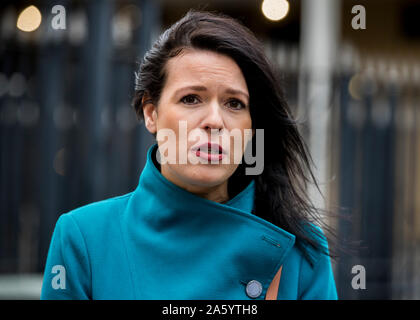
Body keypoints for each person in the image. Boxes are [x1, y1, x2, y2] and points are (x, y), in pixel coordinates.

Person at [41, 9, 338, 300]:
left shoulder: (302, 254)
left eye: (234, 103)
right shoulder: (84, 239)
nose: (214, 121)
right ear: (151, 113)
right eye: (191, 98)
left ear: (251, 126)